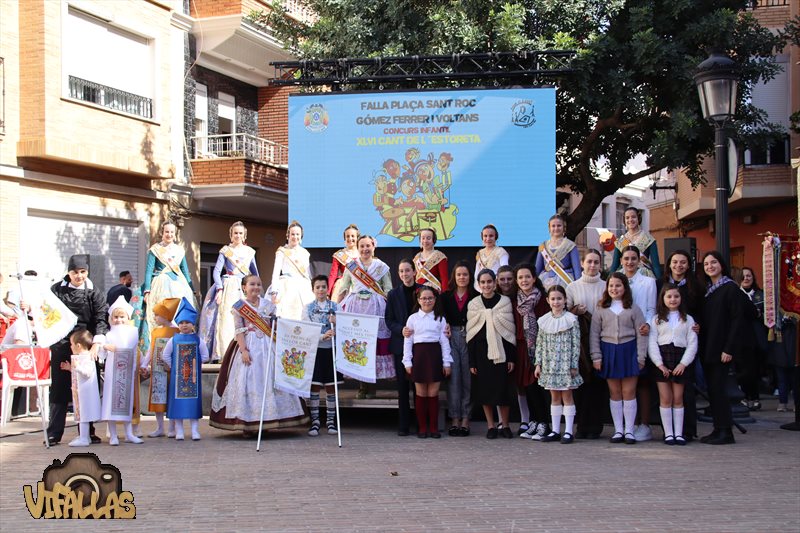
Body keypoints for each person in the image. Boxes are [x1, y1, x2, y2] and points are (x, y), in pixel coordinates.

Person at [210, 276, 307, 435]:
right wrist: (244, 350)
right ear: (244, 287)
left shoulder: (269, 305)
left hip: (269, 346)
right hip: (249, 345)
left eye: (258, 284)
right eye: (252, 284)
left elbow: (274, 327)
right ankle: (247, 423)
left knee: (270, 380)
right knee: (249, 381)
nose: (256, 287)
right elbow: (239, 330)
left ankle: (268, 422)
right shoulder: (239, 307)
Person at [43, 254, 109, 446]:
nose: (79, 276)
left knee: (88, 389)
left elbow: (100, 317)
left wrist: (97, 343)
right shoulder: (56, 290)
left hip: (86, 346)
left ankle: (88, 431)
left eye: (83, 272)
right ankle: (54, 432)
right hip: (62, 343)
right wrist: (29, 308)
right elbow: (45, 311)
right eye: (75, 272)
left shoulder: (94, 292)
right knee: (59, 388)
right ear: (69, 272)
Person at [700, 251, 754, 445]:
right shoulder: (710, 289)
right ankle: (718, 428)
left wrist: (729, 349)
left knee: (720, 391)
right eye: (706, 264)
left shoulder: (730, 288)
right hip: (710, 348)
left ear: (721, 265)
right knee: (713, 391)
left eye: (713, 262)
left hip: (722, 349)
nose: (710, 266)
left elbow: (737, 320)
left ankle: (725, 432)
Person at [590, 273, 647, 445]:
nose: (614, 289)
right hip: (608, 351)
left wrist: (641, 356)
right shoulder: (600, 308)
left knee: (629, 392)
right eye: (611, 286)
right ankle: (618, 430)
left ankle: (630, 430)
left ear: (625, 288)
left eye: (618, 285)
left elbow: (641, 334)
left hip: (629, 350)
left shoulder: (634, 308)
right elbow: (594, 335)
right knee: (615, 393)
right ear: (607, 288)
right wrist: (596, 356)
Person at [337, 235, 394, 394]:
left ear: (373, 247)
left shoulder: (382, 267)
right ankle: (362, 385)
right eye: (361, 246)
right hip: (355, 308)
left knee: (373, 345)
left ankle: (372, 385)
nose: (365, 249)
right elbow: (344, 288)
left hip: (375, 309)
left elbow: (388, 289)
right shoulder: (351, 266)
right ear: (358, 247)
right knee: (358, 344)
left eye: (368, 246)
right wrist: (336, 305)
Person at [658, 249, 703, 441]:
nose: (678, 266)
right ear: (669, 264)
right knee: (666, 394)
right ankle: (668, 432)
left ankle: (687, 430)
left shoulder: (696, 286)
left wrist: (698, 325)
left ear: (688, 265)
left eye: (683, 262)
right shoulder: (661, 284)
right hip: (665, 345)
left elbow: (702, 310)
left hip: (687, 340)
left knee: (686, 391)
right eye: (675, 262)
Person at [199, 221, 259, 361]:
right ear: (231, 235)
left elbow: (255, 273)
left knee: (246, 320)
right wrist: (219, 288)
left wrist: (255, 289)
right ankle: (224, 353)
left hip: (245, 288)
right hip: (229, 286)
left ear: (244, 236)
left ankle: (245, 350)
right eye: (235, 233)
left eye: (240, 233)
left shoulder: (250, 252)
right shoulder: (225, 251)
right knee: (227, 319)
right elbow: (216, 271)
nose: (237, 236)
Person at [467, 269, 516, 439]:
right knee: (485, 391)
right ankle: (491, 426)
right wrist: (472, 362)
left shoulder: (504, 302)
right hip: (481, 354)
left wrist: (511, 358)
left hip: (501, 353)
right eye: (483, 282)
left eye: (489, 282)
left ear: (495, 283)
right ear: (479, 285)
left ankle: (506, 425)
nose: (486, 285)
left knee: (503, 391)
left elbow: (509, 332)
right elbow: (471, 335)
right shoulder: (473, 304)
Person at [566, 249, 608, 439]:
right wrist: (575, 311)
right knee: (582, 385)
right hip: (580, 344)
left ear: (600, 265)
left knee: (598, 386)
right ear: (582, 263)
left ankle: (595, 427)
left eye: (596, 262)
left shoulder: (607, 286)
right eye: (589, 262)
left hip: (602, 340)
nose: (592, 266)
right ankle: (582, 426)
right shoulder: (572, 287)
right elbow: (565, 314)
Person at [648, 284, 698, 445]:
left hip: (680, 360)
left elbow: (692, 344)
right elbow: (652, 343)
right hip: (662, 360)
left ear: (681, 298)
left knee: (678, 398)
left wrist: (683, 364)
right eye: (669, 296)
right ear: (663, 299)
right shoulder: (656, 319)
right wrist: (659, 364)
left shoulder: (688, 319)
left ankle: (679, 433)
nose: (673, 299)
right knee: (665, 398)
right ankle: (668, 433)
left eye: (676, 296)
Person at [403, 286, 453, 438]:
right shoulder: (412, 319)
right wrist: (407, 362)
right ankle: (422, 427)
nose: (427, 301)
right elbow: (408, 341)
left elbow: (444, 342)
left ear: (435, 299)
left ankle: (433, 427)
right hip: (419, 358)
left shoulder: (440, 319)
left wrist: (446, 362)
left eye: (430, 298)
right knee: (421, 393)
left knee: (433, 393)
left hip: (435, 357)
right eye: (423, 298)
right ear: (418, 300)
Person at [534, 285, 582, 443]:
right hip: (549, 364)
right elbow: (539, 344)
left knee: (567, 396)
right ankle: (555, 430)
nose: (556, 302)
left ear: (565, 300)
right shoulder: (543, 321)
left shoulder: (571, 320)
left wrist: (574, 364)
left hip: (566, 364)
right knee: (554, 397)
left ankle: (568, 431)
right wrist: (538, 364)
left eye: (559, 298)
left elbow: (576, 343)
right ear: (548, 300)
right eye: (553, 299)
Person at [142, 222, 195, 356]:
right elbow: (149, 270)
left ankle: (180, 343)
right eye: (167, 232)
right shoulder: (155, 249)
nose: (169, 234)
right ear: (162, 232)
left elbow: (184, 270)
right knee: (162, 314)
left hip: (179, 284)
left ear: (175, 233)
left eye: (172, 232)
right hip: (161, 283)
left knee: (180, 313)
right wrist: (147, 290)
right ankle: (160, 345)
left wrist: (192, 288)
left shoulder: (179, 250)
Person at [621, 245, 657, 442]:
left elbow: (651, 309)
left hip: (641, 335)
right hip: (622, 336)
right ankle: (629, 424)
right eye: (626, 258)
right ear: (621, 260)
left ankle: (644, 424)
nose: (629, 262)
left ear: (639, 260)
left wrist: (647, 325)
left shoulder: (649, 282)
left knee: (642, 381)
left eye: (633, 258)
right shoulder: (617, 280)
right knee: (626, 382)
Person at [161, 298, 209, 441]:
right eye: (181, 323)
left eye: (187, 322)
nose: (184, 325)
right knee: (178, 406)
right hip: (178, 380)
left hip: (193, 379)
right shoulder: (173, 339)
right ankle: (179, 431)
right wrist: (174, 367)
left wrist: (196, 364)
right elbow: (165, 355)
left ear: (192, 324)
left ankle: (195, 431)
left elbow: (205, 356)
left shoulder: (198, 340)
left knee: (193, 405)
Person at [513, 263, 551, 440]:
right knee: (527, 386)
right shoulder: (516, 302)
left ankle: (544, 422)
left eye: (527, 277)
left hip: (540, 348)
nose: (524, 280)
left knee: (540, 386)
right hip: (522, 349)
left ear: (534, 278)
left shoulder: (543, 300)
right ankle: (533, 421)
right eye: (520, 277)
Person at [99, 296, 144, 446]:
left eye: (122, 317)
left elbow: (131, 347)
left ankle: (129, 433)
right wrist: (105, 347)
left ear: (128, 317)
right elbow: (102, 350)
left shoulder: (133, 331)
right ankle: (113, 435)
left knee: (127, 401)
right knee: (111, 402)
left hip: (127, 372)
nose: (119, 320)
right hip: (112, 373)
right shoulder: (109, 334)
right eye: (116, 317)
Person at [385, 259, 421, 435]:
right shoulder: (392, 294)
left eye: (408, 271)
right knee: (402, 387)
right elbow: (389, 320)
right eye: (401, 271)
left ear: (414, 272)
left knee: (420, 387)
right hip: (400, 346)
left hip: (421, 347)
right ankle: (404, 425)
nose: (405, 274)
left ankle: (422, 424)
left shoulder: (424, 291)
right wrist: (401, 330)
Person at [441, 261, 477, 436]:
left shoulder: (476, 296)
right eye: (459, 274)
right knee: (454, 380)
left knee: (468, 380)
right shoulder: (446, 296)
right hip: (452, 338)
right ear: (454, 277)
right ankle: (454, 418)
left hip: (470, 338)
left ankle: (466, 419)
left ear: (470, 277)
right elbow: (441, 317)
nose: (462, 277)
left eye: (465, 274)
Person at [302, 275, 341, 436]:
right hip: (315, 351)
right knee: (315, 387)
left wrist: (337, 322)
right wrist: (321, 336)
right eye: (317, 287)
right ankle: (315, 421)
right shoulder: (307, 308)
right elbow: (305, 330)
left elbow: (345, 330)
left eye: (323, 287)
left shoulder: (335, 306)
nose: (321, 290)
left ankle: (331, 422)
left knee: (331, 387)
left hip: (332, 350)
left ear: (327, 288)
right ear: (313, 289)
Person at [139, 297, 180, 438]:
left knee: (172, 399)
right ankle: (160, 427)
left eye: (157, 315)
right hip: (157, 371)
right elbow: (151, 349)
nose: (155, 318)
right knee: (158, 399)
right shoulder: (155, 331)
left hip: (172, 371)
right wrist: (144, 364)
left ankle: (172, 428)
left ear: (165, 316)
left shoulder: (177, 331)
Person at [62, 329, 102, 447]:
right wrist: (70, 368)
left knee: (84, 416)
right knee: (81, 415)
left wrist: (77, 367)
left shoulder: (87, 357)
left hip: (85, 393)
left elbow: (87, 373)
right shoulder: (79, 357)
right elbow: (78, 373)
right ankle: (84, 436)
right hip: (79, 392)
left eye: (72, 344)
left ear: (78, 345)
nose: (70, 346)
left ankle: (84, 438)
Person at [269, 220, 314, 321]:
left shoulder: (305, 253)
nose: (295, 236)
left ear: (301, 236)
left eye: (297, 234)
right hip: (285, 286)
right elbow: (275, 272)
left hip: (303, 287)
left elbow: (307, 274)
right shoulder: (281, 251)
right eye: (292, 234)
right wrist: (274, 291)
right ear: (288, 235)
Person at [739, 266, 767, 410]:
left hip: (757, 337)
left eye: (749, 276)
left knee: (755, 369)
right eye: (743, 276)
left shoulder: (761, 294)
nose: (746, 278)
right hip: (741, 337)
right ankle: (744, 396)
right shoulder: (736, 294)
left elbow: (764, 315)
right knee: (743, 369)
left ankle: (755, 397)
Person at [610, 206, 662, 278]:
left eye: (633, 217)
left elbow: (656, 266)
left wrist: (660, 283)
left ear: (638, 218)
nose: (630, 220)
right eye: (627, 218)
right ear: (624, 221)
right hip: (624, 275)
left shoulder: (649, 239)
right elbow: (614, 265)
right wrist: (609, 281)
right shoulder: (621, 241)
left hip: (644, 275)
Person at [535, 214, 581, 289]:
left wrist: (579, 287)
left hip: (565, 281)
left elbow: (577, 269)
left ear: (564, 228)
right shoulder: (543, 246)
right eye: (553, 226)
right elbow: (537, 269)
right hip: (545, 281)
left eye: (559, 225)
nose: (556, 228)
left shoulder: (571, 245)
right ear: (549, 228)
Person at [327, 224, 360, 298]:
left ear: (357, 238)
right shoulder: (339, 254)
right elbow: (333, 274)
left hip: (359, 284)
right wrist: (328, 292)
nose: (350, 238)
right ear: (344, 238)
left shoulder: (362, 253)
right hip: (343, 285)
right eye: (347, 236)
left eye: (352, 236)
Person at [474, 224, 509, 292]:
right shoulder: (480, 253)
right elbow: (477, 274)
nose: (488, 239)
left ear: (496, 236)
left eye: (491, 236)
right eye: (485, 236)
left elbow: (504, 272)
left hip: (496, 289)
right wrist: (480, 288)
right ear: (482, 237)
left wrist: (493, 286)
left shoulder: (501, 252)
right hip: (481, 289)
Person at [413, 228, 449, 292]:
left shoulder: (439, 256)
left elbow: (444, 279)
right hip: (418, 293)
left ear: (433, 240)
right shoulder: (416, 258)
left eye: (428, 238)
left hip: (434, 292)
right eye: (423, 238)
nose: (425, 241)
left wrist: (444, 296)